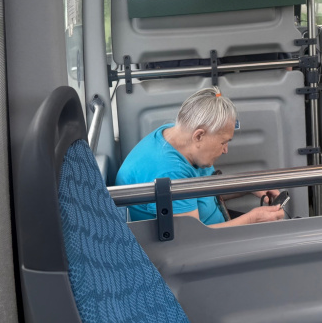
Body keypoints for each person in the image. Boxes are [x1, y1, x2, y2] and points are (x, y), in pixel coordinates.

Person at [115, 87, 285, 227]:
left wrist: (249, 187)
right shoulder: (168, 172)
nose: (225, 150)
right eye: (223, 142)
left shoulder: (178, 134)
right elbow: (193, 240)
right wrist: (252, 219)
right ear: (199, 136)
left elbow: (208, 193)